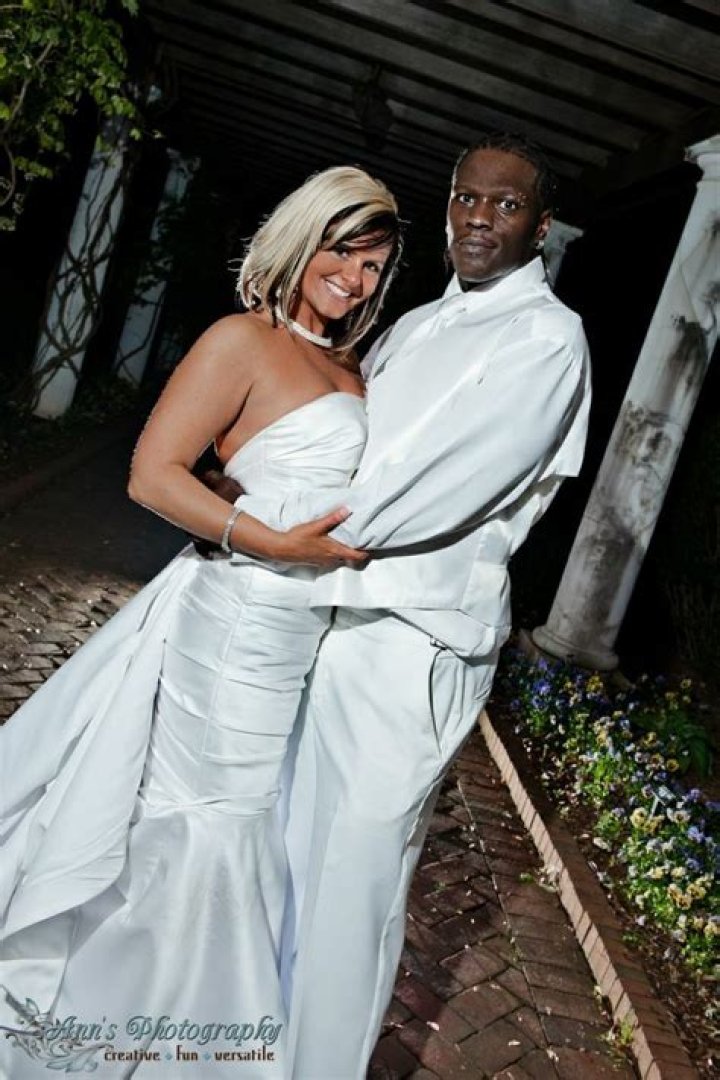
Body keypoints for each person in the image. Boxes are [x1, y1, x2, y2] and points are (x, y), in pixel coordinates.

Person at [0, 165, 401, 1078]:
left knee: (245, 823)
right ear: (303, 239)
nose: (355, 278)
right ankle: (129, 1031)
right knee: (207, 824)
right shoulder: (242, 339)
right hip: (233, 625)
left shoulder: (351, 367)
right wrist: (272, 541)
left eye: (374, 265)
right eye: (343, 251)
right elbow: (153, 474)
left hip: (299, 632)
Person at [232, 132, 593, 1078]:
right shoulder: (419, 323)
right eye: (467, 198)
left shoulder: (546, 338)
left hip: (414, 638)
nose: (479, 217)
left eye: (506, 205)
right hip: (332, 615)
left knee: (355, 881)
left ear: (541, 227)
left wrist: (271, 537)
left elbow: (438, 492)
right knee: (289, 851)